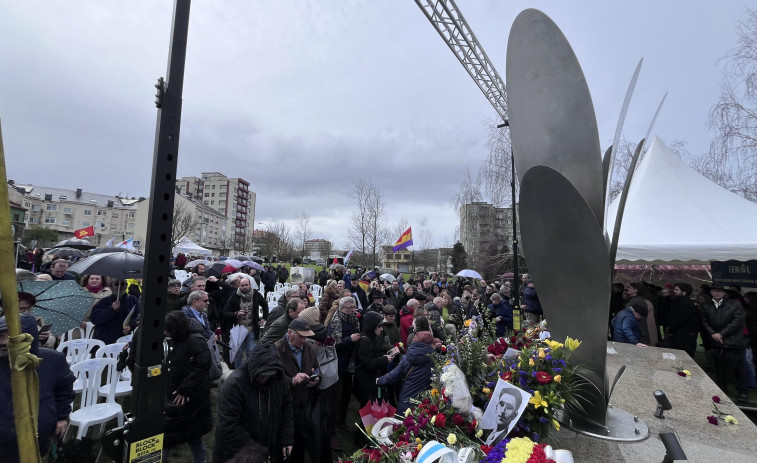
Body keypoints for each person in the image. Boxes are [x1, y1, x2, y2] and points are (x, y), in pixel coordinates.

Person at [0, 314, 75, 463]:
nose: (3, 342)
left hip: (40, 438)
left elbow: (64, 389)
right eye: (0, 335)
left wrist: (61, 416)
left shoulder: (53, 360)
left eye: (11, 337)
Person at [214, 343, 294, 463]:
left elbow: (287, 408)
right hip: (240, 455)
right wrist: (258, 454)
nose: (265, 379)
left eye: (269, 375)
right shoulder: (234, 385)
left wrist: (287, 438)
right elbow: (228, 426)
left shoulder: (279, 380)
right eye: (262, 375)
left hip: (268, 449)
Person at [163, 311, 213, 462]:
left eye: (168, 330)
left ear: (176, 329)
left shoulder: (194, 340)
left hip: (191, 395)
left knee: (178, 432)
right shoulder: (180, 338)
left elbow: (204, 364)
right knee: (188, 431)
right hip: (181, 391)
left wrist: (185, 387)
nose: (165, 333)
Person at [274, 319, 323, 462]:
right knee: (287, 443)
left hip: (305, 403)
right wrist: (292, 380)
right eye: (301, 336)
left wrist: (317, 378)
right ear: (289, 333)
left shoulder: (309, 347)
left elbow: (317, 367)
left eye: (306, 336)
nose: (304, 340)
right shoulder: (276, 349)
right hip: (285, 406)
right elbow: (272, 380)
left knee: (303, 440)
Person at [700, 283, 749, 402]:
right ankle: (722, 390)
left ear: (725, 293)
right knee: (719, 368)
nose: (717, 293)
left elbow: (738, 321)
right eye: (714, 291)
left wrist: (722, 334)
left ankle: (742, 392)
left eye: (720, 291)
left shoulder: (735, 305)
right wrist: (714, 334)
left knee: (738, 368)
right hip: (715, 341)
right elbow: (704, 321)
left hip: (734, 341)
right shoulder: (706, 305)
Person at [376, 329, 435, 414]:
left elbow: (394, 375)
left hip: (407, 402)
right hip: (427, 404)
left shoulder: (407, 359)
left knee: (405, 425)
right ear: (429, 344)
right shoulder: (435, 359)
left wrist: (380, 380)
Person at [327, 296, 361, 431]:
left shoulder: (354, 319)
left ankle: (342, 421)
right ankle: (333, 425)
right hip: (338, 363)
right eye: (349, 308)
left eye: (353, 307)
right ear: (342, 308)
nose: (352, 310)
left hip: (350, 364)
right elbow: (332, 345)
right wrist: (349, 339)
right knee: (337, 397)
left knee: (346, 395)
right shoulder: (335, 321)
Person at [353, 311, 395, 408]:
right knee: (368, 408)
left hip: (373, 379)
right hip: (366, 381)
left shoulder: (374, 337)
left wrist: (385, 355)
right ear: (372, 326)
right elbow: (367, 363)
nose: (381, 329)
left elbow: (376, 353)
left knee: (376, 405)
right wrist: (384, 360)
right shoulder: (365, 340)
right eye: (379, 326)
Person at [224, 277, 268, 367]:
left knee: (251, 352)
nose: (244, 287)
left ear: (250, 285)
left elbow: (265, 305)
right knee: (238, 353)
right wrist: (236, 313)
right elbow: (225, 312)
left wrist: (264, 318)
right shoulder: (235, 296)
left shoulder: (256, 294)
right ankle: (238, 375)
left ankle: (250, 373)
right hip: (239, 329)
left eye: (246, 285)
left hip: (252, 328)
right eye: (242, 285)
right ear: (239, 286)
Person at [91, 279, 140, 344]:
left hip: (123, 340)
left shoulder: (133, 300)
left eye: (123, 284)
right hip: (105, 339)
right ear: (111, 287)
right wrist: (111, 309)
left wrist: (130, 326)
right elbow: (95, 319)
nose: (120, 287)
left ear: (126, 286)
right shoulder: (103, 302)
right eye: (117, 284)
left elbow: (136, 317)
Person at [667, 283, 700, 357]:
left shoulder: (685, 304)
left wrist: (671, 330)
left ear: (684, 292)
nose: (674, 291)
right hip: (682, 333)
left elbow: (680, 319)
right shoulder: (680, 302)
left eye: (677, 290)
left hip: (684, 335)